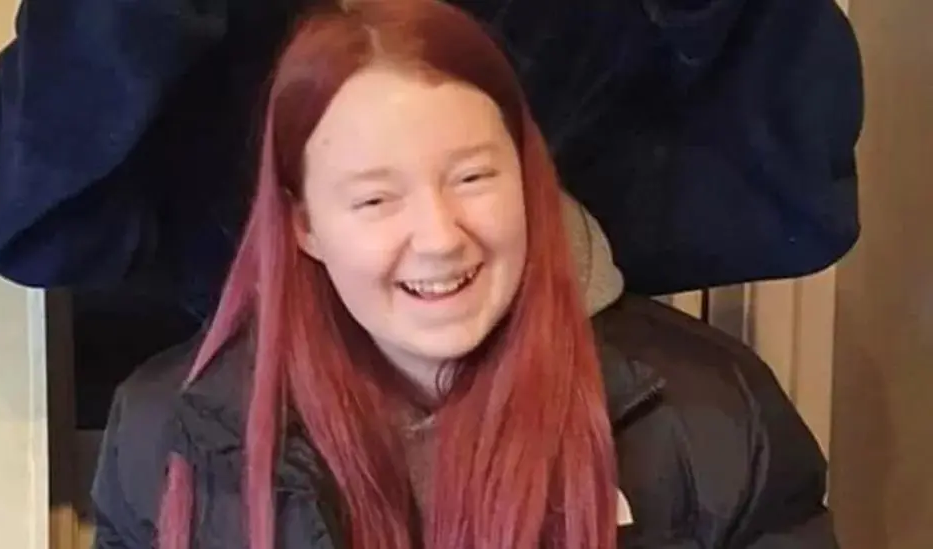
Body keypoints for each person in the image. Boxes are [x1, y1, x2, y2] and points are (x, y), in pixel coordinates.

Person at [91, 1, 837, 548]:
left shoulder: (713, 420)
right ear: (305, 225)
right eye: (377, 197)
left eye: (474, 176)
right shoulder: (162, 437)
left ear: (528, 177)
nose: (440, 238)